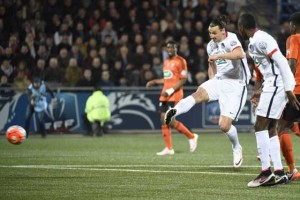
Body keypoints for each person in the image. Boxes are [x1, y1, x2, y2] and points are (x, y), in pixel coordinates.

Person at [164, 15, 251, 166]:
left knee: (224, 126)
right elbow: (212, 67)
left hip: (236, 84)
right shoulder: (211, 45)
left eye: (214, 33)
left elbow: (239, 54)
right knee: (199, 94)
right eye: (210, 33)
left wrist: (218, 56)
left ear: (223, 31)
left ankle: (237, 147)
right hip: (219, 80)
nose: (212, 36)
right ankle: (175, 111)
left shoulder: (232, 39)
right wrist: (211, 80)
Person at [237, 13, 300, 187]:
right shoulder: (256, 41)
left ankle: (265, 172)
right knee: (272, 127)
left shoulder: (260, 40)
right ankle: (279, 172)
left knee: (260, 126)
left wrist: (288, 88)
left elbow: (281, 62)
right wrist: (261, 90)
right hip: (273, 85)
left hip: (277, 86)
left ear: (242, 27)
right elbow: (269, 68)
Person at [146, 40, 198, 156]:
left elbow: (183, 79)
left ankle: (191, 136)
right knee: (163, 120)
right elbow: (167, 79)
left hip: (174, 95)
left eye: (172, 47)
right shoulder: (165, 62)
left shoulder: (181, 61)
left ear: (176, 49)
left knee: (169, 119)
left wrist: (170, 90)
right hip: (164, 95)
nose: (170, 49)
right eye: (168, 48)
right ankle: (169, 148)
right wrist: (155, 81)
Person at [277, 12, 300, 181]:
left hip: (297, 89)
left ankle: (292, 170)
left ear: (294, 25)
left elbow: (291, 63)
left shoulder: (293, 38)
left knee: (282, 126)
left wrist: (287, 88)